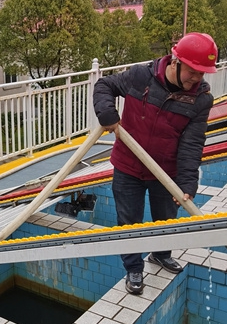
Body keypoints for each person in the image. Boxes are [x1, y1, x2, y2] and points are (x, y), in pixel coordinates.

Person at [92, 32, 217, 295]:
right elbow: (104, 85)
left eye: (202, 73)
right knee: (129, 221)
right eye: (193, 71)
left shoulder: (200, 99)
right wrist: (106, 112)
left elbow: (192, 143)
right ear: (175, 61)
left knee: (166, 218)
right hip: (129, 165)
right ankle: (133, 268)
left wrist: (187, 181)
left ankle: (160, 254)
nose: (196, 78)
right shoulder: (140, 77)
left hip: (165, 171)